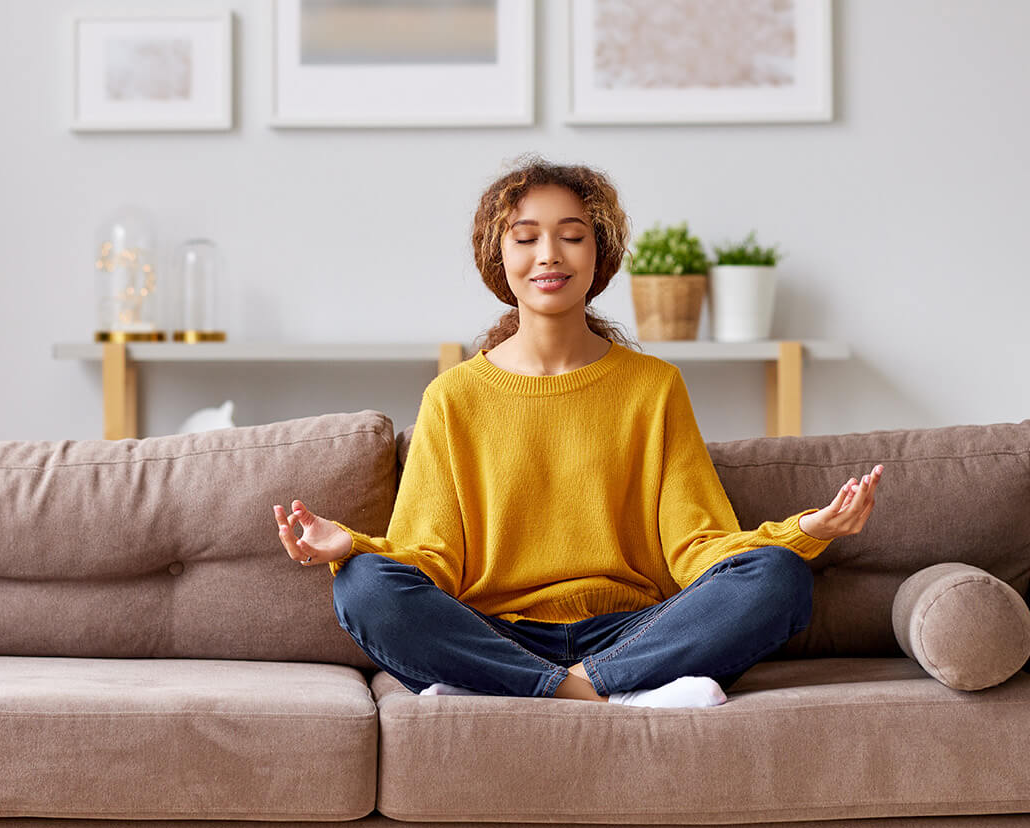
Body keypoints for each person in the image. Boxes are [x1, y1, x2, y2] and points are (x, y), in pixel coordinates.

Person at [269, 155, 882, 707]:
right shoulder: (453, 398)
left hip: (635, 629)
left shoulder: (653, 387)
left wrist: (803, 533)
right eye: (526, 237)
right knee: (364, 588)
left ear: (599, 253)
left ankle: (534, 686)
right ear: (498, 256)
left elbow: (697, 547)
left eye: (571, 236)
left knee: (778, 578)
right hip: (495, 632)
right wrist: (351, 548)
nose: (549, 255)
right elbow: (429, 561)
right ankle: (606, 689)